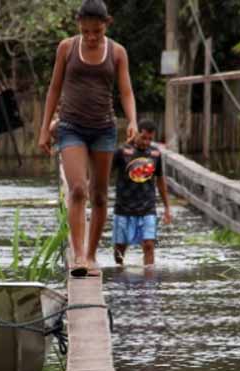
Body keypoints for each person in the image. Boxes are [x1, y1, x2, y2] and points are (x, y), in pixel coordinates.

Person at [38, 0, 137, 277]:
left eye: (97, 31)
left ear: (107, 24)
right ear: (78, 26)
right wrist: (45, 128)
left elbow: (126, 91)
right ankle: (79, 255)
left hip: (104, 129)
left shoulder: (117, 52)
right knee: (79, 189)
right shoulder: (66, 48)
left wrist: (132, 120)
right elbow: (54, 88)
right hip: (71, 127)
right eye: (86, 31)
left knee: (100, 196)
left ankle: (92, 255)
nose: (91, 37)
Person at [112, 120, 171, 268]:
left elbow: (160, 181)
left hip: (147, 207)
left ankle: (148, 278)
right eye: (143, 137)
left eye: (150, 139)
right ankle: (119, 273)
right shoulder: (122, 152)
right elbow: (105, 173)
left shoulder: (155, 154)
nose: (146, 142)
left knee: (149, 245)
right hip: (123, 207)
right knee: (119, 250)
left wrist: (167, 207)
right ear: (136, 133)